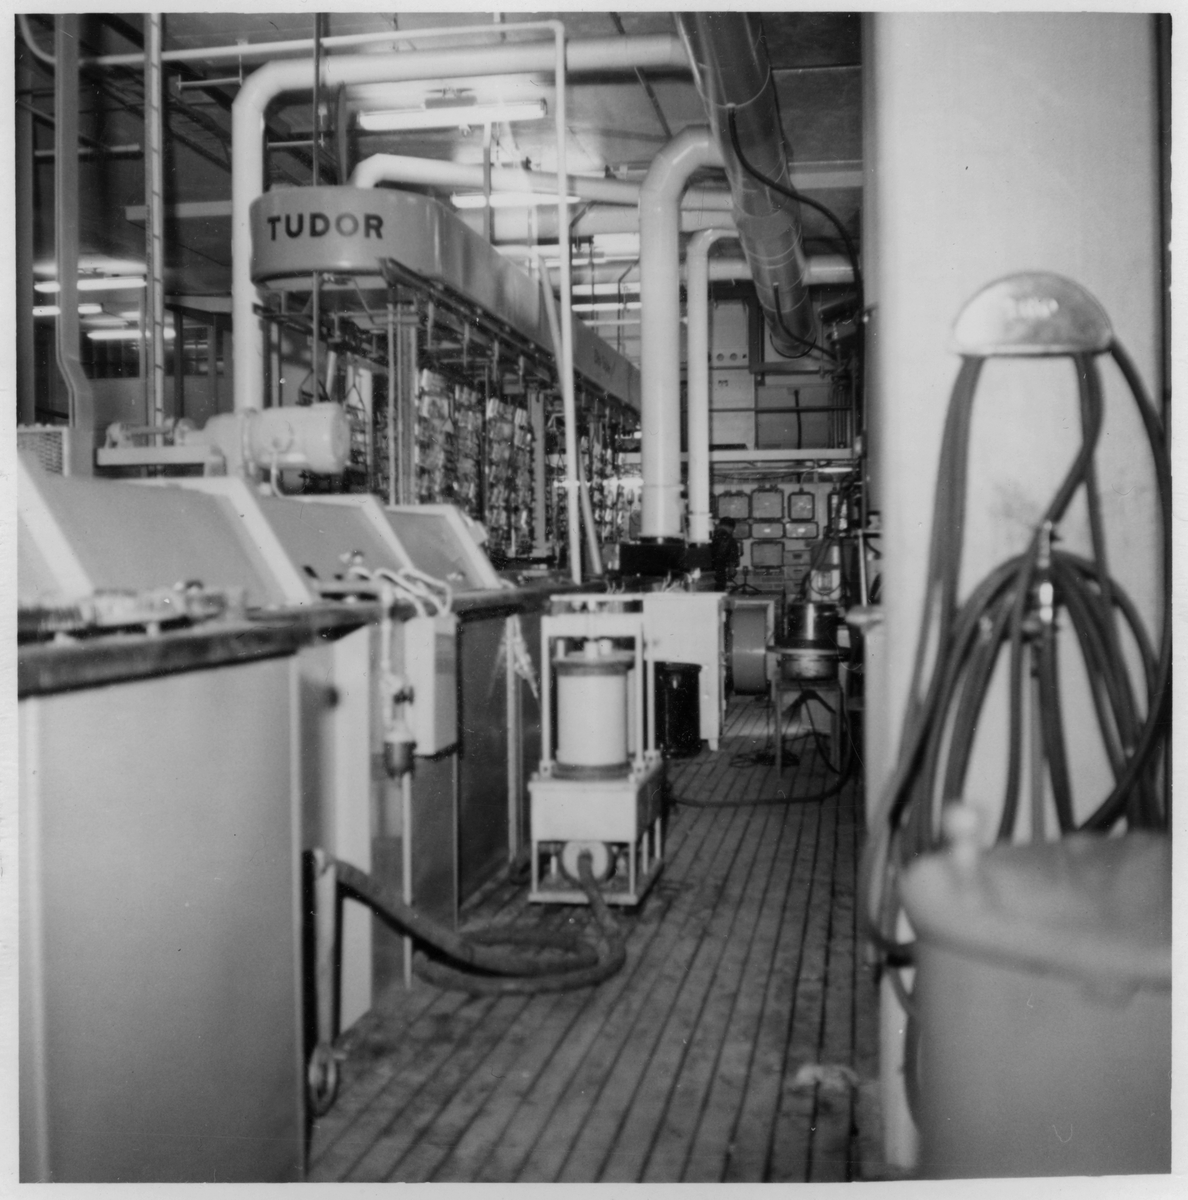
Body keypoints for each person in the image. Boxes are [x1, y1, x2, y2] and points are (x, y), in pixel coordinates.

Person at [710, 516, 742, 590]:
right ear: (732, 528)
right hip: (720, 572)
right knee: (718, 593)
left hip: (704, 572)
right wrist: (732, 571)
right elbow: (732, 560)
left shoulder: (710, 537)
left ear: (719, 525)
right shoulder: (731, 540)